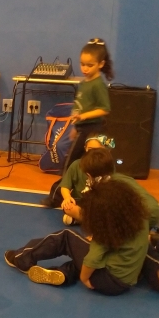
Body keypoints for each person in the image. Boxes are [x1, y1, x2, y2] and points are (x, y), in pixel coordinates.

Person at [5, 178, 150, 295]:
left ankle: (22, 258)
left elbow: (92, 260)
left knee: (66, 237)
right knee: (81, 253)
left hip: (103, 280)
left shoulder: (106, 233)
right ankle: (63, 274)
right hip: (125, 282)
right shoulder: (139, 220)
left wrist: (85, 279)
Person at [42, 38, 115, 207]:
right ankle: (75, 194)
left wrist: (83, 117)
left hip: (92, 128)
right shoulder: (84, 83)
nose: (85, 68)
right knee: (76, 163)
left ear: (101, 64)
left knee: (71, 164)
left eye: (90, 65)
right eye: (82, 64)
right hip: (82, 128)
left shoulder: (98, 85)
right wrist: (75, 126)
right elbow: (79, 107)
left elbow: (105, 109)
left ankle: (57, 197)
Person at [63, 147, 159, 230]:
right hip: (155, 212)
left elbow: (107, 218)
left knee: (83, 213)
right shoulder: (119, 177)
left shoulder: (105, 189)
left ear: (89, 175)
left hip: (142, 217)